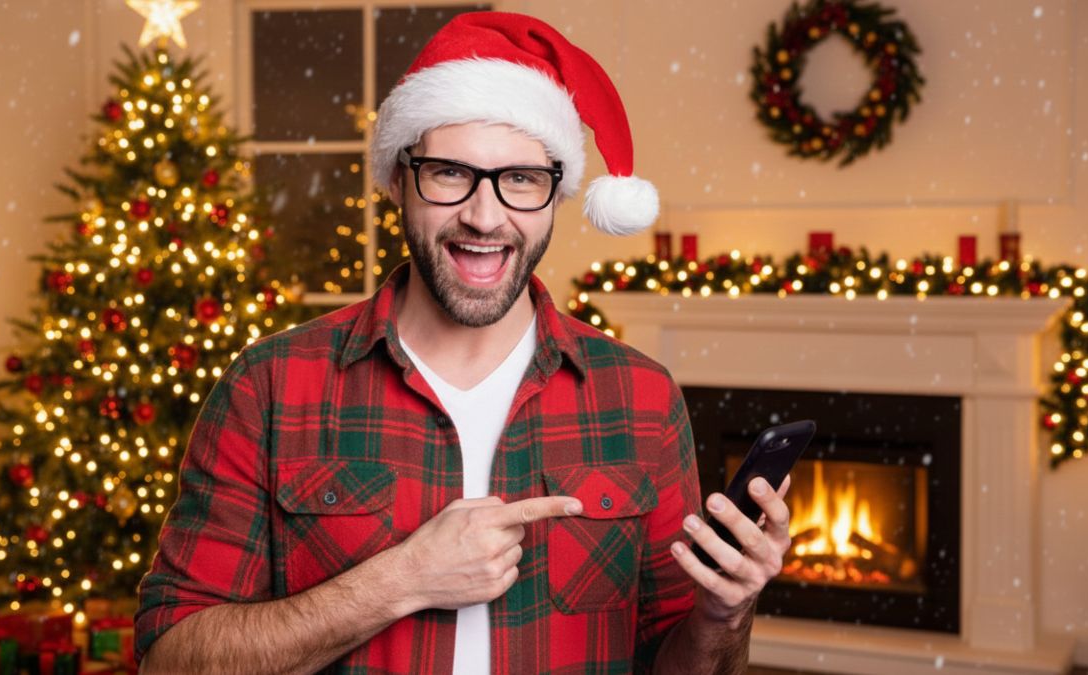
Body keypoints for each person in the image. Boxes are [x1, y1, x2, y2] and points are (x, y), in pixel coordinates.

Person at [135, 11, 792, 675]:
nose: (484, 216)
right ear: (398, 179)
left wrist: (723, 616)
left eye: (521, 179)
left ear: (556, 194)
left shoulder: (640, 396)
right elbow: (172, 659)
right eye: (450, 173)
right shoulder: (272, 385)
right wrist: (401, 579)